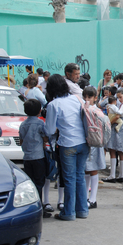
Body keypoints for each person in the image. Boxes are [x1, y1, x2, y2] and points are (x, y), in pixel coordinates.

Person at [45, 74, 89, 221]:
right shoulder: (77, 99)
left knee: (69, 178)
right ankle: (82, 210)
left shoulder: (53, 105)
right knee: (80, 176)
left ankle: (69, 212)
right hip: (84, 142)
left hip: (67, 144)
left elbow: (50, 130)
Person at [19, 99, 51, 218]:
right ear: (39, 111)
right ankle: (39, 208)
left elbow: (21, 141)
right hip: (38, 157)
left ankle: (30, 209)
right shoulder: (40, 123)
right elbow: (45, 138)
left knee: (30, 183)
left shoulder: (23, 124)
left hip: (27, 158)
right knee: (39, 183)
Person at [82, 87, 106, 209]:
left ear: (95, 98)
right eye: (85, 97)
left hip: (95, 142)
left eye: (89, 97)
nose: (87, 100)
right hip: (87, 142)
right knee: (87, 169)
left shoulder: (96, 110)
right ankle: (85, 197)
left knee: (93, 169)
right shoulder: (83, 109)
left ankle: (93, 198)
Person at [104, 89, 123, 183]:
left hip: (118, 128)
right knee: (118, 151)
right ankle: (118, 175)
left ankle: (114, 175)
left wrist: (110, 122)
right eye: (118, 97)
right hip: (121, 127)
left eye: (120, 97)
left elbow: (118, 116)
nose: (119, 99)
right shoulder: (119, 105)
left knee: (114, 150)